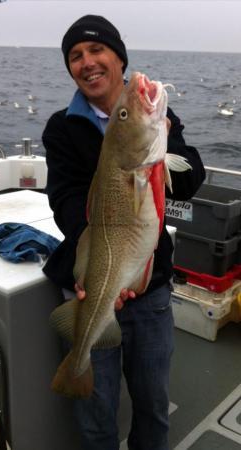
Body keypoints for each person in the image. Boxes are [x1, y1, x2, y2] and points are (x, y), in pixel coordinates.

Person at [42, 14, 206, 450]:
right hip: (92, 283)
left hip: (150, 292)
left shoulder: (154, 117)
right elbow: (67, 200)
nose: (86, 62)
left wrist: (162, 138)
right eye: (75, 56)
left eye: (96, 50)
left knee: (152, 407)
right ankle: (80, 362)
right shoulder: (62, 127)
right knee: (96, 419)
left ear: (118, 58)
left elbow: (190, 181)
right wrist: (99, 273)